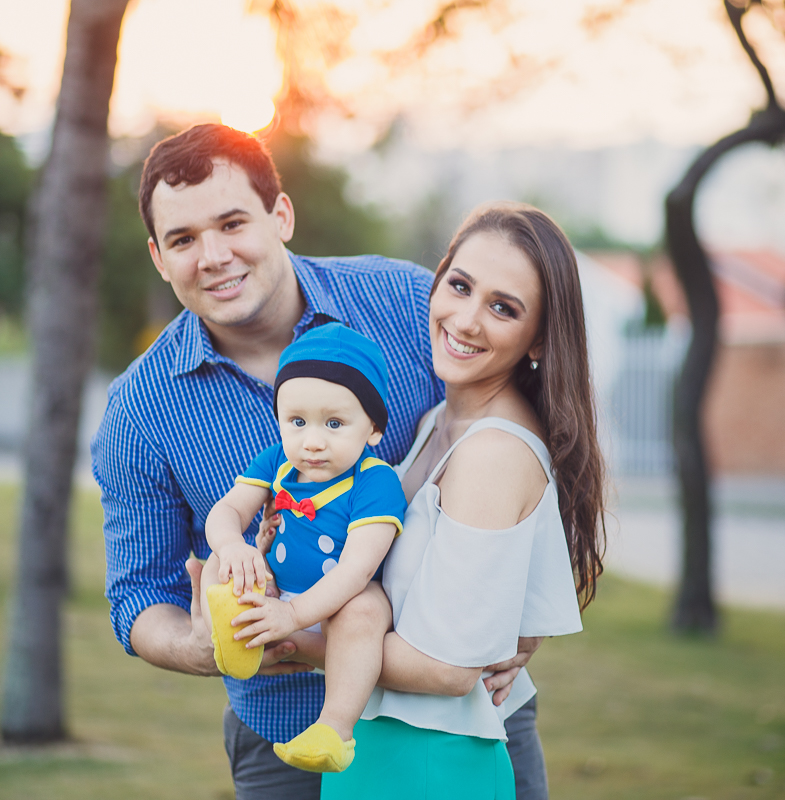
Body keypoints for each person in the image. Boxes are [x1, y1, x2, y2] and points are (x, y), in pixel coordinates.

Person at [91, 124, 552, 800]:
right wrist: (201, 647)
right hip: (287, 735)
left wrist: (524, 612)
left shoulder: (404, 303)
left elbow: (522, 436)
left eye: (232, 223)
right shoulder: (140, 409)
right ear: (159, 258)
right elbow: (137, 593)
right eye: (184, 240)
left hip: (459, 725)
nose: (213, 256)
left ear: (280, 215)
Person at [321, 202, 608, 799]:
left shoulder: (493, 452)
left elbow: (450, 667)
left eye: (503, 308)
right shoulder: (437, 420)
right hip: (381, 748)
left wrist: (293, 637)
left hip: (431, 763)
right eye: (460, 286)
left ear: (538, 339)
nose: (467, 320)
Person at [202, 322, 405, 773]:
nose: (312, 441)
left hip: (336, 605)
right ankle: (231, 640)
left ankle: (333, 728)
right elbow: (227, 510)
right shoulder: (277, 460)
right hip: (276, 593)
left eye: (334, 424)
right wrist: (234, 545)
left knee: (367, 608)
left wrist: (292, 616)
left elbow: (356, 569)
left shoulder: (375, 481)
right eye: (297, 422)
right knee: (222, 558)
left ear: (373, 428)